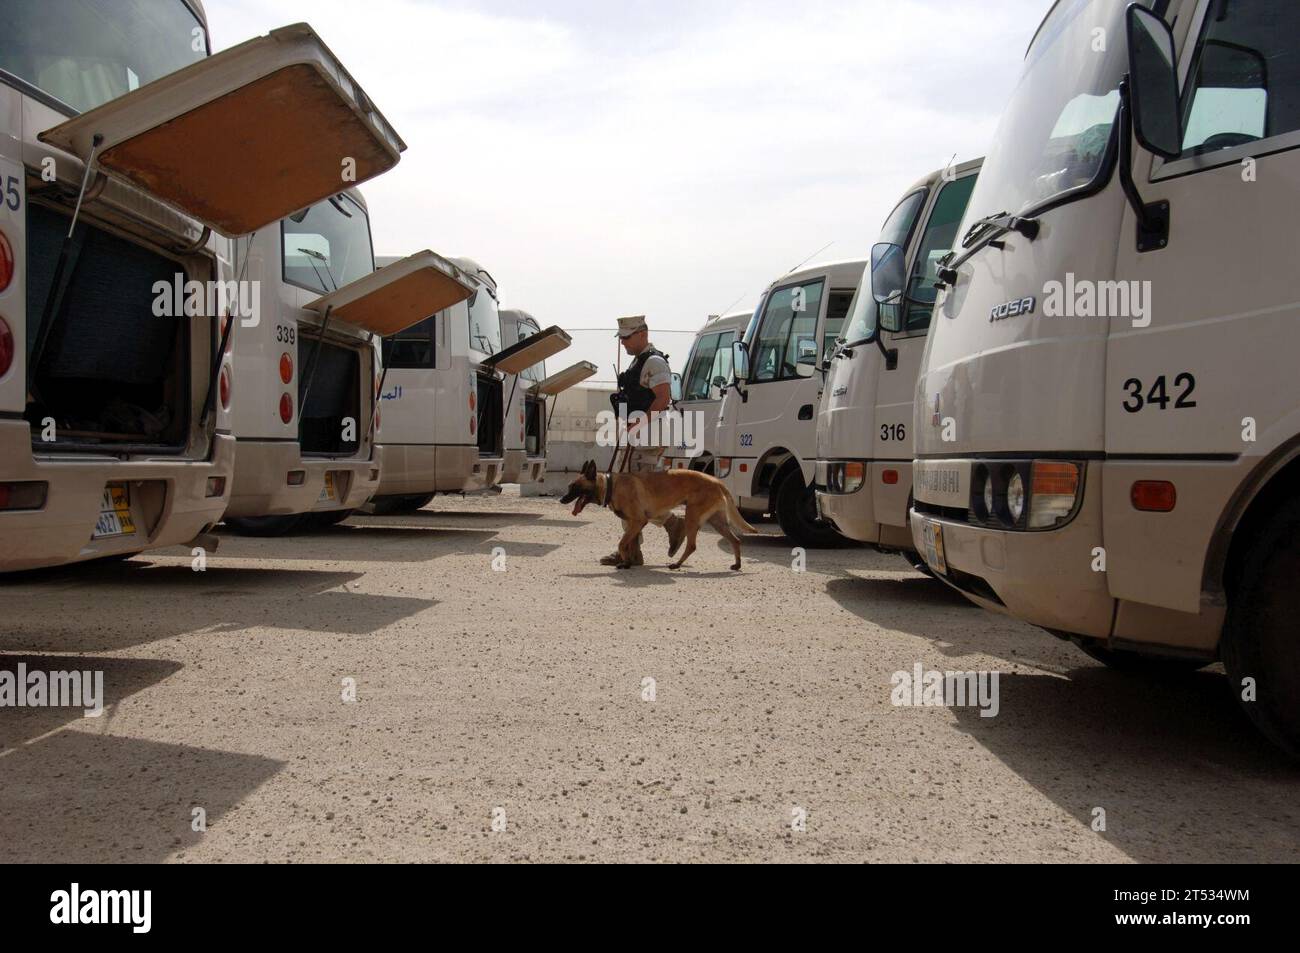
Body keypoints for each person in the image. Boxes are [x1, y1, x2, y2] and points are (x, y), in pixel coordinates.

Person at [600, 316, 685, 566]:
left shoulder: (655, 362)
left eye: (627, 337)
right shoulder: (639, 363)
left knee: (635, 496)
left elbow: (662, 398)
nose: (623, 342)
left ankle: (638, 545)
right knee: (628, 494)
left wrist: (639, 423)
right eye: (622, 338)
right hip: (637, 436)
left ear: (643, 334)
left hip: (649, 437)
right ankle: (635, 547)